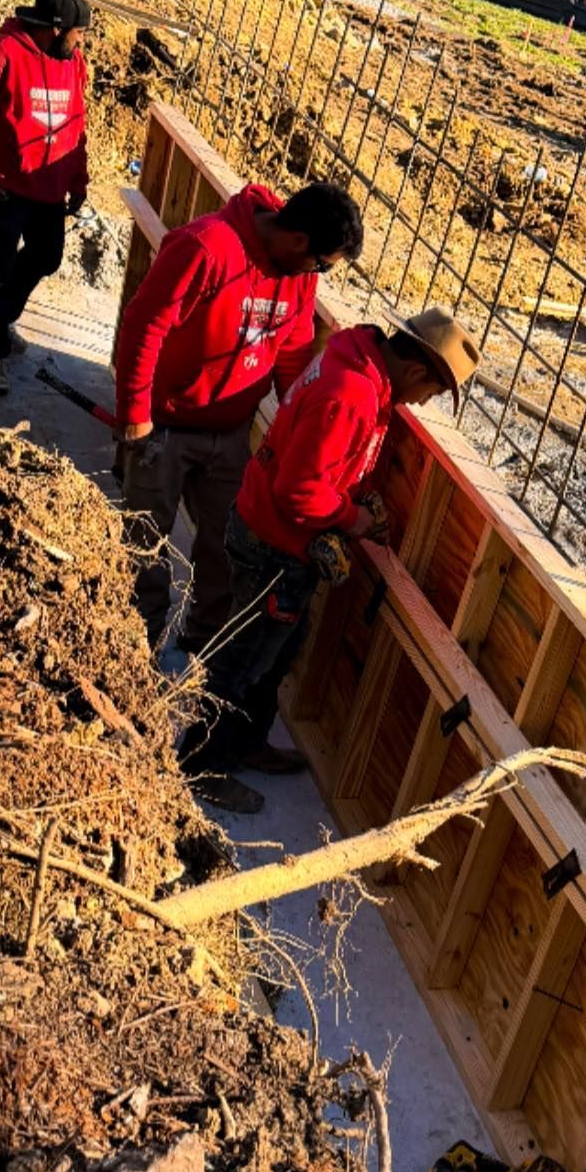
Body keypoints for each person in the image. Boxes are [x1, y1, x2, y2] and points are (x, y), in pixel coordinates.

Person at [180, 307, 481, 813]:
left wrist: (352, 495)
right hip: (273, 545)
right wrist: (352, 518)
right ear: (414, 372)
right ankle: (203, 765)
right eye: (429, 393)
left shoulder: (358, 367)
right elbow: (298, 490)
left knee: (278, 651)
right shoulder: (353, 395)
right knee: (245, 662)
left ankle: (247, 743)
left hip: (276, 537)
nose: (423, 404)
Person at [114, 181, 363, 654]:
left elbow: (291, 352)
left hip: (229, 434)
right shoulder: (206, 246)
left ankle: (199, 645)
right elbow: (145, 324)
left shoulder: (299, 276)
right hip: (166, 426)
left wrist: (301, 430)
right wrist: (135, 413)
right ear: (298, 241)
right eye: (322, 265)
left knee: (224, 549)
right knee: (144, 544)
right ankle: (133, 646)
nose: (319, 275)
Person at [0, 0, 91, 396]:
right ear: (57, 28)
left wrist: (77, 181)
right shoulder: (2, 55)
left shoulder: (72, 62)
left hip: (48, 188)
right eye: (78, 33)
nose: (81, 41)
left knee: (47, 256)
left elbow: (76, 126)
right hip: (4, 186)